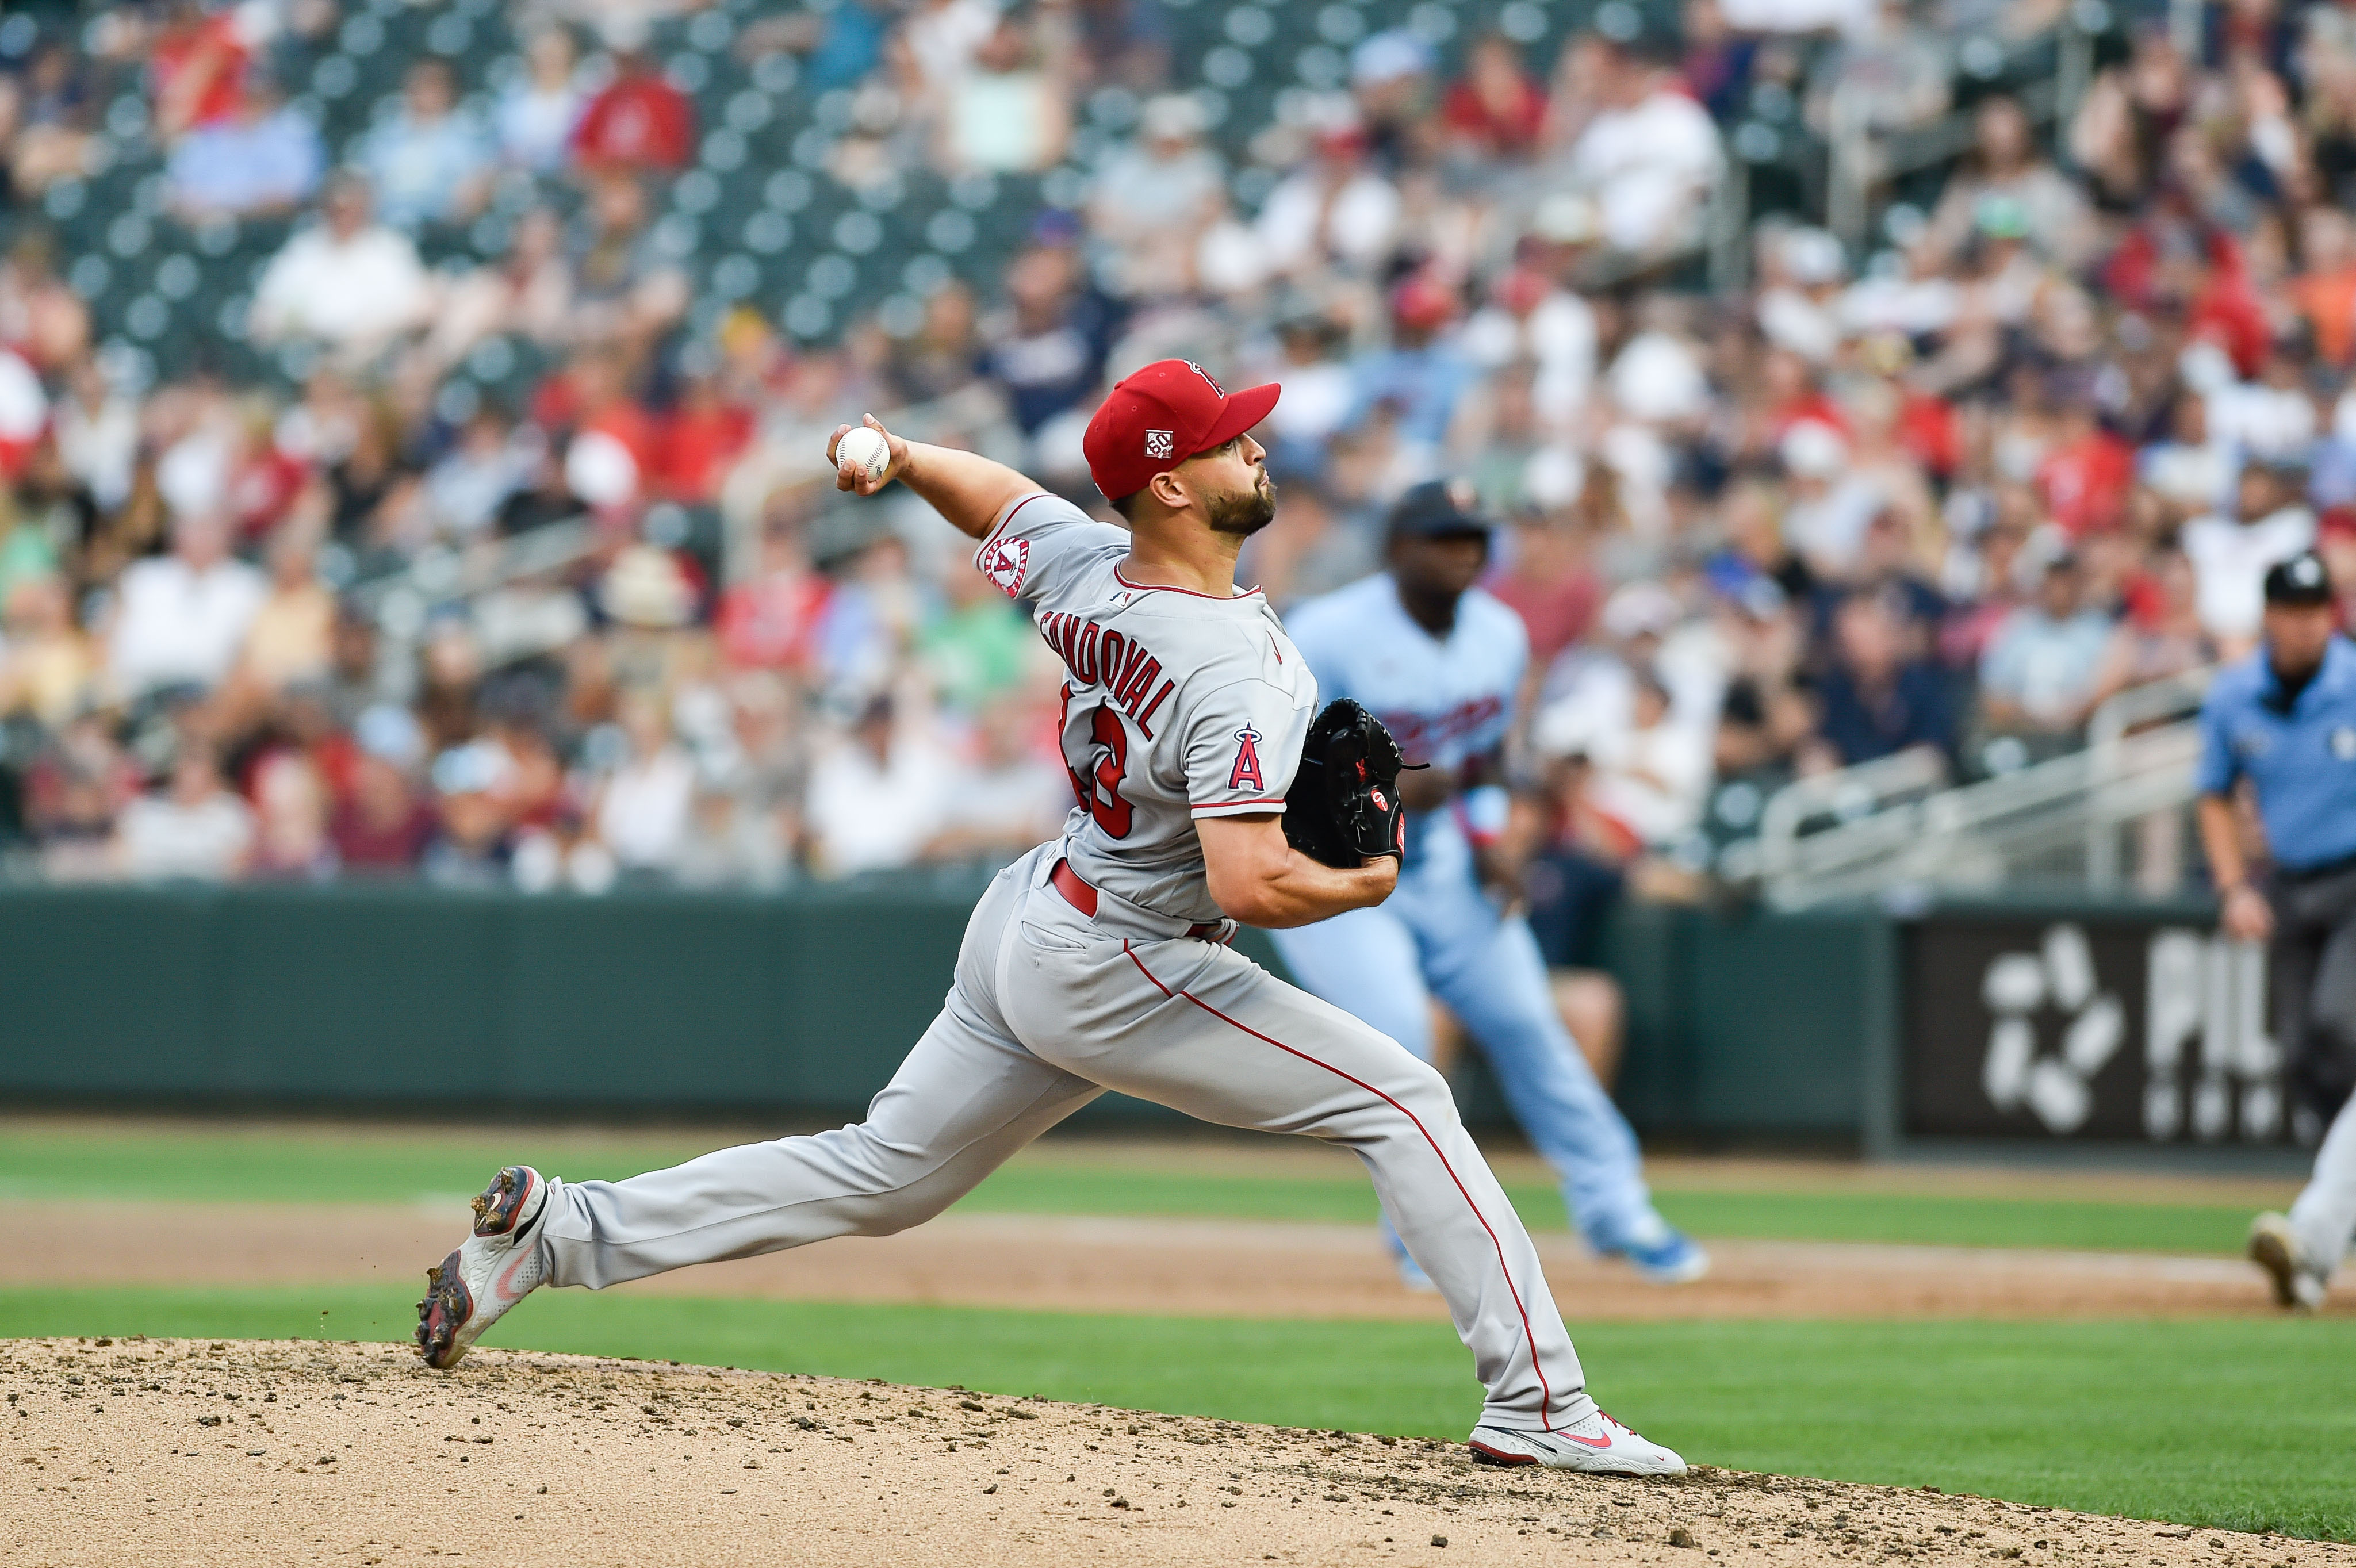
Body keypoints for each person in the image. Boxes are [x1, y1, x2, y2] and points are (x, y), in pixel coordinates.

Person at [412, 360, 1688, 1477]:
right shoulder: (1226, 664)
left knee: (883, 1173)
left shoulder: (1092, 567)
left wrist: (906, 455)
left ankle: (557, 1232)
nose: (1257, 445)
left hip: (1039, 915)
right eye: (1228, 438)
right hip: (1128, 953)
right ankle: (1542, 1406)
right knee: (1403, 1095)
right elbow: (1251, 885)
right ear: (1172, 486)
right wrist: (1368, 881)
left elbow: (997, 498)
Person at [1269, 478, 1707, 1287]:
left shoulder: (1497, 634)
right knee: (1399, 1034)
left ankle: (1617, 1210)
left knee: (1530, 1026)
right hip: (1330, 868)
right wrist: (1377, 784)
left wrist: (1488, 841)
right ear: (1398, 548)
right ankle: (1420, 1236)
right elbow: (1270, 758)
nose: (1462, 551)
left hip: (1439, 867)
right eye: (1442, 537)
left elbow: (1484, 759)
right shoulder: (1328, 631)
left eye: (1470, 535)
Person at [2202, 553, 2356, 1310]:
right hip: (2291, 887)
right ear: (2268, 616)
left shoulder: (2352, 680)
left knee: (2339, 1022)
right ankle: (2331, 1220)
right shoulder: (2234, 695)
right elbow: (2211, 795)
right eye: (2294, 611)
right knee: (2303, 1058)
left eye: (2318, 609)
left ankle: (2322, 1228)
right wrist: (2233, 885)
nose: (2308, 623)